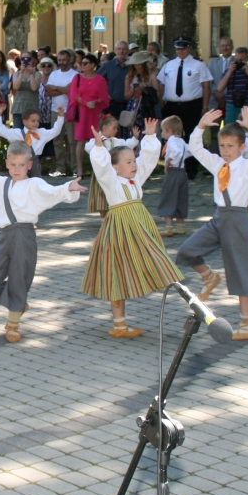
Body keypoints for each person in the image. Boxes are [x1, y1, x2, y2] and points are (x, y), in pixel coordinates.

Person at [0, 142, 84, 343]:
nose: (17, 169)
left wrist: (67, 187)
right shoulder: (0, 184)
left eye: (21, 165)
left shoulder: (34, 184)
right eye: (13, 165)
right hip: (5, 236)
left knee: (19, 278)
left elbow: (51, 192)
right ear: (7, 163)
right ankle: (17, 304)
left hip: (24, 235)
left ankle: (13, 322)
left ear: (29, 165)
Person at [81, 118, 182, 337]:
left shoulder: (136, 180)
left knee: (150, 260)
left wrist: (151, 136)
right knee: (117, 272)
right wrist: (99, 148)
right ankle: (119, 325)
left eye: (133, 160)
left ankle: (162, 279)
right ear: (115, 167)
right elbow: (100, 168)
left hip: (139, 228)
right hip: (120, 231)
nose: (134, 165)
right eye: (128, 162)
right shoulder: (112, 181)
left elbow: (149, 159)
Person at [176, 107, 248, 341]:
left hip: (237, 219)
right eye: (222, 146)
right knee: (187, 250)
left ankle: (247, 323)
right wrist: (201, 125)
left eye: (231, 146)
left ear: (242, 147)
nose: (225, 151)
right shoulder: (218, 164)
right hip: (219, 218)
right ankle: (209, 277)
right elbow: (195, 148)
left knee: (240, 269)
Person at [156, 37, 212, 179]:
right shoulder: (169, 65)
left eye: (184, 48)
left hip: (192, 105)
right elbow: (162, 84)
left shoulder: (198, 64)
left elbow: (206, 85)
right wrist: (162, 103)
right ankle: (173, 166)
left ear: (189, 48)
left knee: (192, 136)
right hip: (172, 105)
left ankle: (191, 168)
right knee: (172, 136)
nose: (181, 51)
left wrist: (205, 106)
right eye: (178, 48)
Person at [0, 102, 65, 179]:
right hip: (20, 164)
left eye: (38, 121)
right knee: (20, 183)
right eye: (33, 121)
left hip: (35, 163)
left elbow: (55, 131)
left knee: (35, 184)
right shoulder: (17, 133)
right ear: (25, 122)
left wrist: (60, 117)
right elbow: (1, 131)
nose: (36, 123)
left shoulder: (41, 133)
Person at [84, 115, 137, 216]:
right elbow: (88, 148)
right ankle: (104, 219)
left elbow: (127, 145)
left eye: (117, 128)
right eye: (114, 128)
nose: (116, 130)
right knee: (102, 197)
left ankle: (115, 216)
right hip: (101, 174)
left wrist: (134, 138)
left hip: (115, 174)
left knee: (115, 195)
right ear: (105, 128)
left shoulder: (116, 141)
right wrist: (97, 143)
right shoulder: (96, 140)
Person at [68, 53, 110, 177]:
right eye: (82, 63)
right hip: (82, 112)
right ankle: (79, 168)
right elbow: (73, 95)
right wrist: (86, 103)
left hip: (95, 112)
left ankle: (97, 168)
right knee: (80, 141)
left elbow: (104, 97)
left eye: (86, 63)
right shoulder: (77, 78)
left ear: (93, 65)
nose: (83, 66)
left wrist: (95, 102)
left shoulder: (100, 79)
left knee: (97, 140)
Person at [45, 50, 78, 177]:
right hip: (55, 111)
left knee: (72, 141)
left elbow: (72, 91)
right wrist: (65, 89)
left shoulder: (75, 75)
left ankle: (75, 168)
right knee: (57, 141)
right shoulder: (53, 74)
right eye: (60, 60)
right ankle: (60, 168)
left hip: (70, 111)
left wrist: (56, 87)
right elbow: (47, 92)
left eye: (64, 60)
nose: (62, 62)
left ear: (70, 60)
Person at [158, 116, 190, 237]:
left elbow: (176, 152)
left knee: (168, 197)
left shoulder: (171, 140)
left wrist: (168, 161)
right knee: (181, 198)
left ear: (169, 130)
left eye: (163, 130)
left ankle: (168, 227)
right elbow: (188, 151)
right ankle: (181, 226)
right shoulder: (181, 141)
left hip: (172, 172)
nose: (162, 133)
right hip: (182, 172)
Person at [216, 46, 248, 124]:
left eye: (241, 60)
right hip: (232, 105)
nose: (239, 63)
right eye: (237, 60)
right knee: (231, 132)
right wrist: (229, 72)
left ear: (247, 59)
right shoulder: (229, 71)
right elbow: (219, 88)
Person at [97, 41, 131, 120]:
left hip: (129, 105)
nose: (121, 51)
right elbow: (96, 81)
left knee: (125, 131)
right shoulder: (108, 65)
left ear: (128, 51)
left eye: (124, 49)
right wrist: (103, 93)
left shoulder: (132, 66)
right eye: (119, 49)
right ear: (115, 50)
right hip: (111, 105)